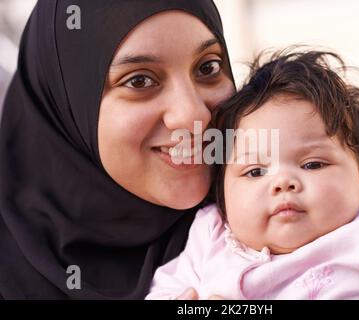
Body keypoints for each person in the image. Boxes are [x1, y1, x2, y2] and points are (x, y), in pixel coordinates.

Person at [146, 49, 359, 300]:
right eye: (254, 171)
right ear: (222, 191)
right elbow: (167, 290)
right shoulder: (210, 233)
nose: (283, 182)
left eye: (313, 165)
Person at [0, 0, 235, 299]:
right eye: (139, 80)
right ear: (66, 105)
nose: (194, 115)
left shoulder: (283, 223)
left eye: (208, 67)